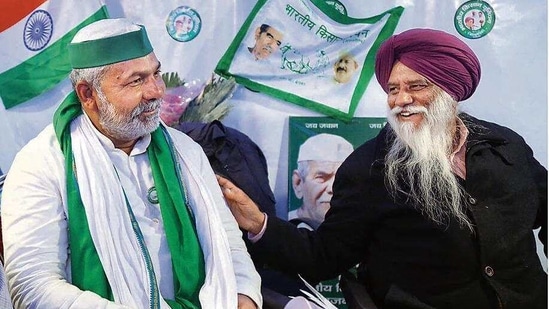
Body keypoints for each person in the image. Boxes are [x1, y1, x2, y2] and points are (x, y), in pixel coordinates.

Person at [217, 28, 547, 309]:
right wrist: (259, 223)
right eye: (393, 89)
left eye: (416, 86)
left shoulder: (505, 146)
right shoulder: (369, 168)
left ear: (451, 91)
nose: (401, 99)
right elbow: (323, 256)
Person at [0, 18, 261, 309]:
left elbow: (227, 244)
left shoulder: (185, 151)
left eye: (156, 73)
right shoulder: (41, 165)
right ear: (88, 95)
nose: (156, 91)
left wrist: (244, 296)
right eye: (136, 80)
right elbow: (32, 287)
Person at [288, 133, 353, 230]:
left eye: (342, 179)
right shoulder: (285, 229)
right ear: (298, 183)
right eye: (321, 177)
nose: (332, 188)